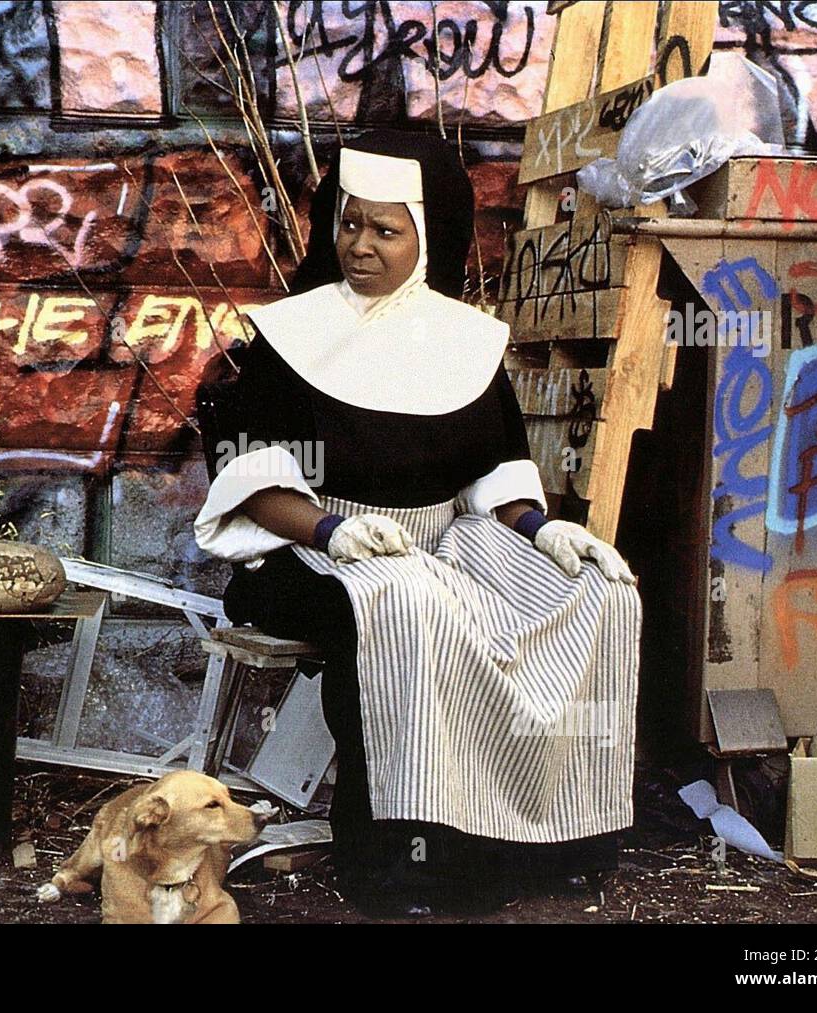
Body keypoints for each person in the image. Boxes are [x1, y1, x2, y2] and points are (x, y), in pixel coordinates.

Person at [193, 129, 641, 917]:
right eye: (348, 222)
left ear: (427, 236)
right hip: (311, 556)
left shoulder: (466, 341)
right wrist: (331, 530)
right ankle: (403, 859)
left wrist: (542, 531)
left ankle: (553, 836)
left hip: (437, 540)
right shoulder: (290, 337)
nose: (360, 246)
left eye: (385, 230)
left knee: (600, 593)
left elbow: (492, 474)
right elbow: (252, 479)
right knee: (407, 599)